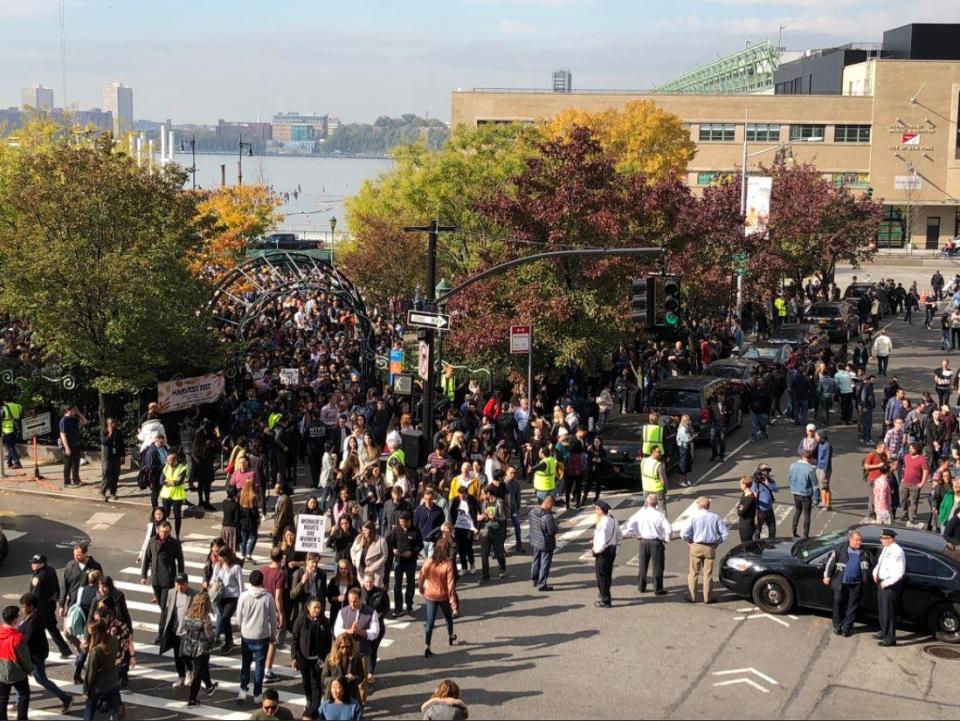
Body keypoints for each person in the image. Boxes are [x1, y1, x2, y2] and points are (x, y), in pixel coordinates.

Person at [17, 592, 72, 712]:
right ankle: (19, 702)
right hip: (31, 654)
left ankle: (66, 698)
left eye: (24, 606)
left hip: (35, 655)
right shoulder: (31, 616)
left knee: (41, 679)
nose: (22, 609)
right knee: (21, 678)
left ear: (31, 607)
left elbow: (26, 639)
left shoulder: (33, 620)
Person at [237, 569, 279, 705]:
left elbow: (239, 616)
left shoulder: (243, 596)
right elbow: (273, 619)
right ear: (262, 581)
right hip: (262, 635)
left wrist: (242, 627)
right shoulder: (268, 597)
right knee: (260, 666)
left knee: (245, 663)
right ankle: (257, 693)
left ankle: (243, 690)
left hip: (246, 634)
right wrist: (273, 635)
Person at [822, 530, 874, 638]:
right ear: (850, 540)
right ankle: (837, 626)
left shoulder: (865, 552)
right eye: (857, 540)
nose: (859, 542)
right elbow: (830, 563)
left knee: (852, 607)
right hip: (841, 583)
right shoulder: (840, 549)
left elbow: (873, 565)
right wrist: (827, 576)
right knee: (838, 604)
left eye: (860, 540)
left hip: (857, 584)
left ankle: (846, 628)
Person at [140, 520, 185, 635]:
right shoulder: (152, 541)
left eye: (166, 532)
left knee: (164, 608)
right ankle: (173, 621)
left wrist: (181, 579)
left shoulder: (174, 543)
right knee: (162, 606)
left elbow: (180, 561)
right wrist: (143, 575)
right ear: (157, 530)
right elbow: (147, 559)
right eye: (162, 532)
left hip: (168, 580)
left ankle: (161, 633)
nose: (163, 534)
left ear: (170, 532)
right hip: (155, 578)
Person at [680, 497, 728, 604]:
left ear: (698, 505)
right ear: (708, 506)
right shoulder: (715, 517)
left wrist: (690, 542)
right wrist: (717, 543)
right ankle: (708, 598)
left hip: (696, 546)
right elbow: (725, 534)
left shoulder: (693, 517)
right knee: (708, 574)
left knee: (693, 573)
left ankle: (692, 596)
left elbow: (683, 533)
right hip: (710, 547)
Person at [418, 538, 459, 658]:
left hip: (430, 594)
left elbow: (421, 576)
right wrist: (454, 605)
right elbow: (451, 585)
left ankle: (427, 645)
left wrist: (421, 589)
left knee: (430, 622)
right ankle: (451, 635)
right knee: (448, 617)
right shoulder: (448, 564)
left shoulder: (429, 561)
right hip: (443, 595)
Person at [291, 598, 332, 720]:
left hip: (318, 659)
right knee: (306, 681)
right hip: (303, 658)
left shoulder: (324, 621)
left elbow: (328, 640)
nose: (317, 610)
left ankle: (315, 707)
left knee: (316, 683)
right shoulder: (301, 620)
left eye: (319, 607)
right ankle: (309, 700)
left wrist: (325, 657)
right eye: (315, 607)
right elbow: (294, 639)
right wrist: (294, 657)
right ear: (308, 608)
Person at [624, 493, 671, 594]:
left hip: (644, 541)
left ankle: (641, 587)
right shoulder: (660, 515)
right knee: (658, 567)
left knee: (642, 566)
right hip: (656, 542)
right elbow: (668, 529)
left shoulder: (641, 513)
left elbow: (630, 524)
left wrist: (636, 534)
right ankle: (658, 589)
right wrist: (666, 538)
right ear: (656, 503)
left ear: (647, 502)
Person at [26, 553, 72, 659]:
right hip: (50, 606)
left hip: (39, 609)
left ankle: (37, 655)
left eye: (35, 563)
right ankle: (65, 649)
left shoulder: (38, 577)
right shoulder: (51, 570)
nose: (32, 565)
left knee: (35, 632)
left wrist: (30, 608)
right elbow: (56, 588)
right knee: (52, 628)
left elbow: (34, 595)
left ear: (42, 564)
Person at [179, 591, 219, 707]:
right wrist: (215, 640)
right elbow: (210, 636)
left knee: (202, 668)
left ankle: (210, 686)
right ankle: (192, 699)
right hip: (201, 650)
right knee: (198, 675)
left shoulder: (187, 615)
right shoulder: (204, 619)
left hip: (188, 647)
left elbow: (183, 629)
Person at [158, 572, 195, 688]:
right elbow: (167, 611)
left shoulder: (193, 594)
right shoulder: (171, 593)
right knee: (176, 654)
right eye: (177, 583)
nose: (178, 586)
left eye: (181, 584)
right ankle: (181, 675)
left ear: (186, 584)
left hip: (186, 630)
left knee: (184, 654)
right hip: (174, 628)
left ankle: (190, 671)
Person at [82, 620, 122, 721]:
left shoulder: (96, 650)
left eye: (91, 633)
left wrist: (86, 690)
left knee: (89, 711)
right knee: (115, 710)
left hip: (98, 685)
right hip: (113, 681)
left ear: (96, 633)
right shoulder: (114, 640)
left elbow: (90, 673)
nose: (89, 635)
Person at [873, 528, 906, 647]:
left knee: (889, 612)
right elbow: (880, 563)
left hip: (889, 586)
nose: (881, 540)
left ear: (891, 539)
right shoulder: (886, 548)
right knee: (882, 610)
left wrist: (886, 583)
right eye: (881, 538)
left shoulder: (897, 552)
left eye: (883, 538)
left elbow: (899, 572)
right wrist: (875, 573)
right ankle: (884, 631)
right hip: (881, 583)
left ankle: (890, 638)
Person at [0, 605, 33, 721]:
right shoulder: (17, 637)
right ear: (14, 620)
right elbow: (24, 658)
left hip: (1, 672)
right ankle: (22, 718)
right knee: (24, 694)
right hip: (17, 672)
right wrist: (30, 669)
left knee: (3, 698)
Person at [387, 512, 423, 616]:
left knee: (410, 583)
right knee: (397, 585)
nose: (402, 524)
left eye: (404, 522)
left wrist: (411, 552)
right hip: (398, 561)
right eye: (401, 522)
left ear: (409, 521)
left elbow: (420, 545)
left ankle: (409, 603)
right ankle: (398, 608)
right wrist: (393, 549)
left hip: (411, 562)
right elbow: (389, 542)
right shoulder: (396, 530)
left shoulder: (415, 531)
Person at [212, 546, 245, 654]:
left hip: (233, 597)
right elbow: (213, 578)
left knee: (225, 617)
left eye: (222, 557)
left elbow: (241, 585)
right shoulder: (217, 566)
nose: (220, 559)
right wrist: (214, 583)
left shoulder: (236, 568)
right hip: (221, 596)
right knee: (222, 618)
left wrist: (242, 600)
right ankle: (228, 639)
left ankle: (228, 641)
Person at [591, 500, 622, 608]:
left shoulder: (602, 524)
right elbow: (619, 535)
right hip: (612, 550)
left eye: (596, 509)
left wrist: (596, 550)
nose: (595, 511)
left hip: (603, 552)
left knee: (601, 576)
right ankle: (605, 592)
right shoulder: (613, 520)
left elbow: (602, 540)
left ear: (601, 510)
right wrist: (616, 547)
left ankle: (605, 599)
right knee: (607, 574)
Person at [321, 633, 364, 705]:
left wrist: (354, 678)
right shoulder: (330, 658)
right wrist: (334, 681)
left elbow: (361, 676)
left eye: (347, 647)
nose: (344, 650)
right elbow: (324, 678)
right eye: (342, 647)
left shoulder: (356, 658)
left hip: (350, 692)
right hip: (334, 694)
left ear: (351, 646)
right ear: (337, 646)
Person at [477, 485, 507, 582]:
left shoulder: (499, 502)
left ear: (489, 493)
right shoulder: (484, 503)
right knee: (484, 554)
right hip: (486, 530)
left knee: (499, 553)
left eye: (483, 494)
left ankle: (502, 568)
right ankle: (485, 576)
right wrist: (480, 518)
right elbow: (484, 515)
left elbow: (503, 518)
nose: (481, 496)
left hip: (497, 531)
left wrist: (493, 517)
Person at [528, 495, 558, 592]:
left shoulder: (533, 512)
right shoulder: (547, 516)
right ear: (549, 503)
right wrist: (556, 527)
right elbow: (551, 531)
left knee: (536, 560)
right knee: (545, 563)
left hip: (536, 540)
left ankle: (534, 579)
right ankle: (542, 584)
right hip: (546, 543)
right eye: (552, 504)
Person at [789, 451, 819, 538]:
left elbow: (790, 477)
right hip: (806, 494)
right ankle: (805, 535)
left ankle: (793, 531)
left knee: (797, 511)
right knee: (807, 514)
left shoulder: (793, 465)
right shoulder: (810, 469)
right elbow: (815, 482)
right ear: (810, 458)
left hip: (795, 492)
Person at [449, 486, 478, 575]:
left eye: (463, 495)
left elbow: (477, 512)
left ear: (466, 494)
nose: (461, 497)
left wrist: (476, 527)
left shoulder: (472, 499)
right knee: (460, 547)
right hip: (458, 526)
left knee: (468, 546)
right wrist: (452, 526)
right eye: (460, 495)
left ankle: (472, 564)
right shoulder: (456, 500)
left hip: (469, 527)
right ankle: (464, 567)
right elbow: (452, 512)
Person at [349, 522, 388, 588]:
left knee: (374, 590)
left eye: (366, 530)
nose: (363, 532)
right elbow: (353, 550)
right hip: (361, 569)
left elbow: (385, 556)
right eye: (363, 530)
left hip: (375, 571)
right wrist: (355, 561)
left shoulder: (381, 541)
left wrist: (372, 567)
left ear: (371, 530)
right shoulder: (359, 537)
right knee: (362, 590)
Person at [159, 451, 188, 537]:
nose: (168, 462)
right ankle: (164, 534)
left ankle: (177, 535)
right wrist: (172, 482)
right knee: (164, 516)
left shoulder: (182, 468)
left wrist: (168, 481)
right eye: (167, 461)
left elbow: (179, 482)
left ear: (175, 460)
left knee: (177, 517)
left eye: (170, 461)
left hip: (177, 496)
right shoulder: (166, 467)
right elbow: (161, 481)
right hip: (166, 495)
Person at [900, 442, 929, 525]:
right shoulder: (906, 457)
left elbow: (925, 471)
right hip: (904, 483)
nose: (910, 450)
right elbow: (904, 468)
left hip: (915, 485)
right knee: (902, 500)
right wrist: (902, 478)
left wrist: (922, 483)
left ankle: (912, 517)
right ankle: (904, 514)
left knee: (913, 502)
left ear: (917, 449)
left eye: (912, 448)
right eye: (910, 448)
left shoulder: (922, 459)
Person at [59, 404, 88, 488]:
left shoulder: (73, 419)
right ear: (68, 410)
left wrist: (78, 412)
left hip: (76, 444)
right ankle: (67, 483)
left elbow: (85, 421)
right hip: (69, 445)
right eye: (73, 410)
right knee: (68, 464)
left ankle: (76, 481)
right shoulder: (63, 421)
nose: (75, 411)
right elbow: (62, 435)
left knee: (76, 464)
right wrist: (67, 448)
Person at [99, 418, 125, 502]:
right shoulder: (104, 432)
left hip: (116, 456)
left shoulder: (118, 432)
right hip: (107, 456)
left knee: (115, 475)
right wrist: (110, 433)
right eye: (111, 423)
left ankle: (113, 492)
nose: (113, 424)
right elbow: (104, 442)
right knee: (106, 474)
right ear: (108, 424)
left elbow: (122, 444)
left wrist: (123, 456)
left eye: (114, 423)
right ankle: (103, 492)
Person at [752, 465, 780, 540]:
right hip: (760, 510)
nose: (766, 472)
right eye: (764, 470)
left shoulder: (770, 480)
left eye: (767, 470)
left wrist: (768, 483)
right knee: (758, 531)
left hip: (769, 509)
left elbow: (777, 489)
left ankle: (771, 544)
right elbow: (752, 494)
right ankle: (756, 546)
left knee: (772, 529)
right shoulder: (756, 482)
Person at [239, 479, 262, 564]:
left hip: (243, 520)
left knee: (244, 537)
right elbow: (254, 511)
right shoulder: (253, 496)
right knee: (253, 537)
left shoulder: (241, 495)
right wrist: (258, 519)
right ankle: (249, 554)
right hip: (251, 521)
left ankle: (243, 554)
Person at [639, 445, 668, 512]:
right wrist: (665, 488)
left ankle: (647, 521)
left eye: (660, 452)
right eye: (658, 452)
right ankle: (663, 521)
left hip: (646, 489)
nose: (660, 454)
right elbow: (662, 479)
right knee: (662, 509)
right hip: (658, 490)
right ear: (653, 452)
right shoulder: (658, 464)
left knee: (647, 507)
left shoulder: (643, 461)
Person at [736, 476, 758, 542]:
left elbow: (740, 512)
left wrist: (739, 507)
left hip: (747, 527)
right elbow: (741, 507)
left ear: (745, 485)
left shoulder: (750, 498)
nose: (740, 485)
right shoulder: (744, 494)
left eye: (741, 484)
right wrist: (740, 507)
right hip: (744, 525)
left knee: (746, 546)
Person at [816, 430, 834, 511]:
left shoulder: (828, 446)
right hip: (819, 467)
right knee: (821, 486)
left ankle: (828, 504)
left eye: (817, 436)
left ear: (821, 436)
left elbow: (827, 460)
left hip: (824, 469)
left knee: (825, 486)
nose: (815, 437)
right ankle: (823, 502)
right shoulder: (819, 444)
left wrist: (826, 473)